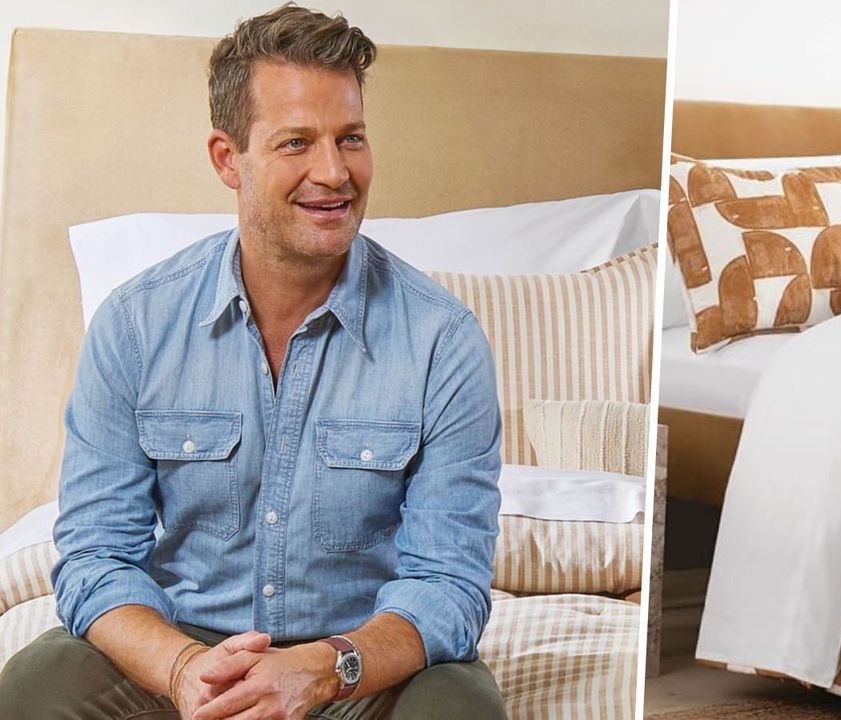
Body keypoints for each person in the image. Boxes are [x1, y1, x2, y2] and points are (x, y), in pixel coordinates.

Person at [0, 5, 506, 719]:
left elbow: (448, 582)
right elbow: (96, 557)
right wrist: (182, 671)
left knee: (459, 707)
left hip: (357, 663)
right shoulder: (136, 324)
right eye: (296, 142)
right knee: (35, 685)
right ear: (226, 159)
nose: (333, 173)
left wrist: (325, 671)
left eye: (351, 138)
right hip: (181, 654)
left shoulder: (442, 342)